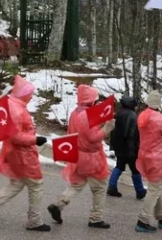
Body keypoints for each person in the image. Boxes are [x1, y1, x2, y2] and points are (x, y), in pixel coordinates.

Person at [0, 76, 51, 232]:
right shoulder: (18, 110)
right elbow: (15, 136)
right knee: (36, 185)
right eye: (30, 94)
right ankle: (34, 221)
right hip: (23, 154)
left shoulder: (13, 103)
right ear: (24, 94)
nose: (31, 97)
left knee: (17, 183)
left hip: (15, 153)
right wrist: (35, 139)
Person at [47, 85, 115, 229]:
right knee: (100, 188)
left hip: (78, 156)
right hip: (92, 158)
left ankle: (58, 205)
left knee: (77, 184)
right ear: (91, 100)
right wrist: (107, 127)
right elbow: (93, 137)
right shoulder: (88, 115)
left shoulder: (75, 113)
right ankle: (96, 218)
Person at [135, 91, 162, 233]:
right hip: (159, 159)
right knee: (154, 189)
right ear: (159, 104)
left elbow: (154, 134)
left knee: (155, 186)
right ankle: (142, 221)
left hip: (145, 156)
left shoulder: (141, 116)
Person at [108, 95, 147, 199]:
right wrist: (136, 146)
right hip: (130, 148)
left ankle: (111, 186)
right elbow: (131, 133)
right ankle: (140, 191)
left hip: (119, 146)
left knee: (119, 166)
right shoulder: (133, 116)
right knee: (135, 169)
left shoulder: (118, 114)